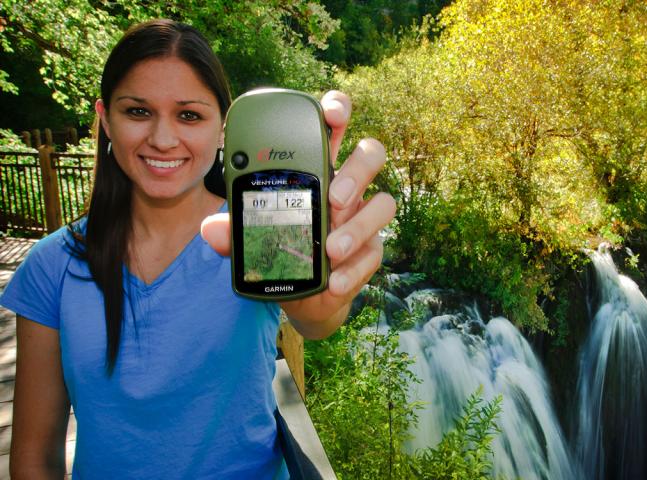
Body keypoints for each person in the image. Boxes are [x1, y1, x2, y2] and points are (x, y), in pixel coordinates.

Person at [0, 19, 395, 479]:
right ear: (105, 118)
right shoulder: (51, 266)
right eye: (137, 112)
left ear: (224, 130)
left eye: (189, 115)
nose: (163, 139)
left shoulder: (252, 234)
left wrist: (329, 285)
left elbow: (316, 316)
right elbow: (33, 455)